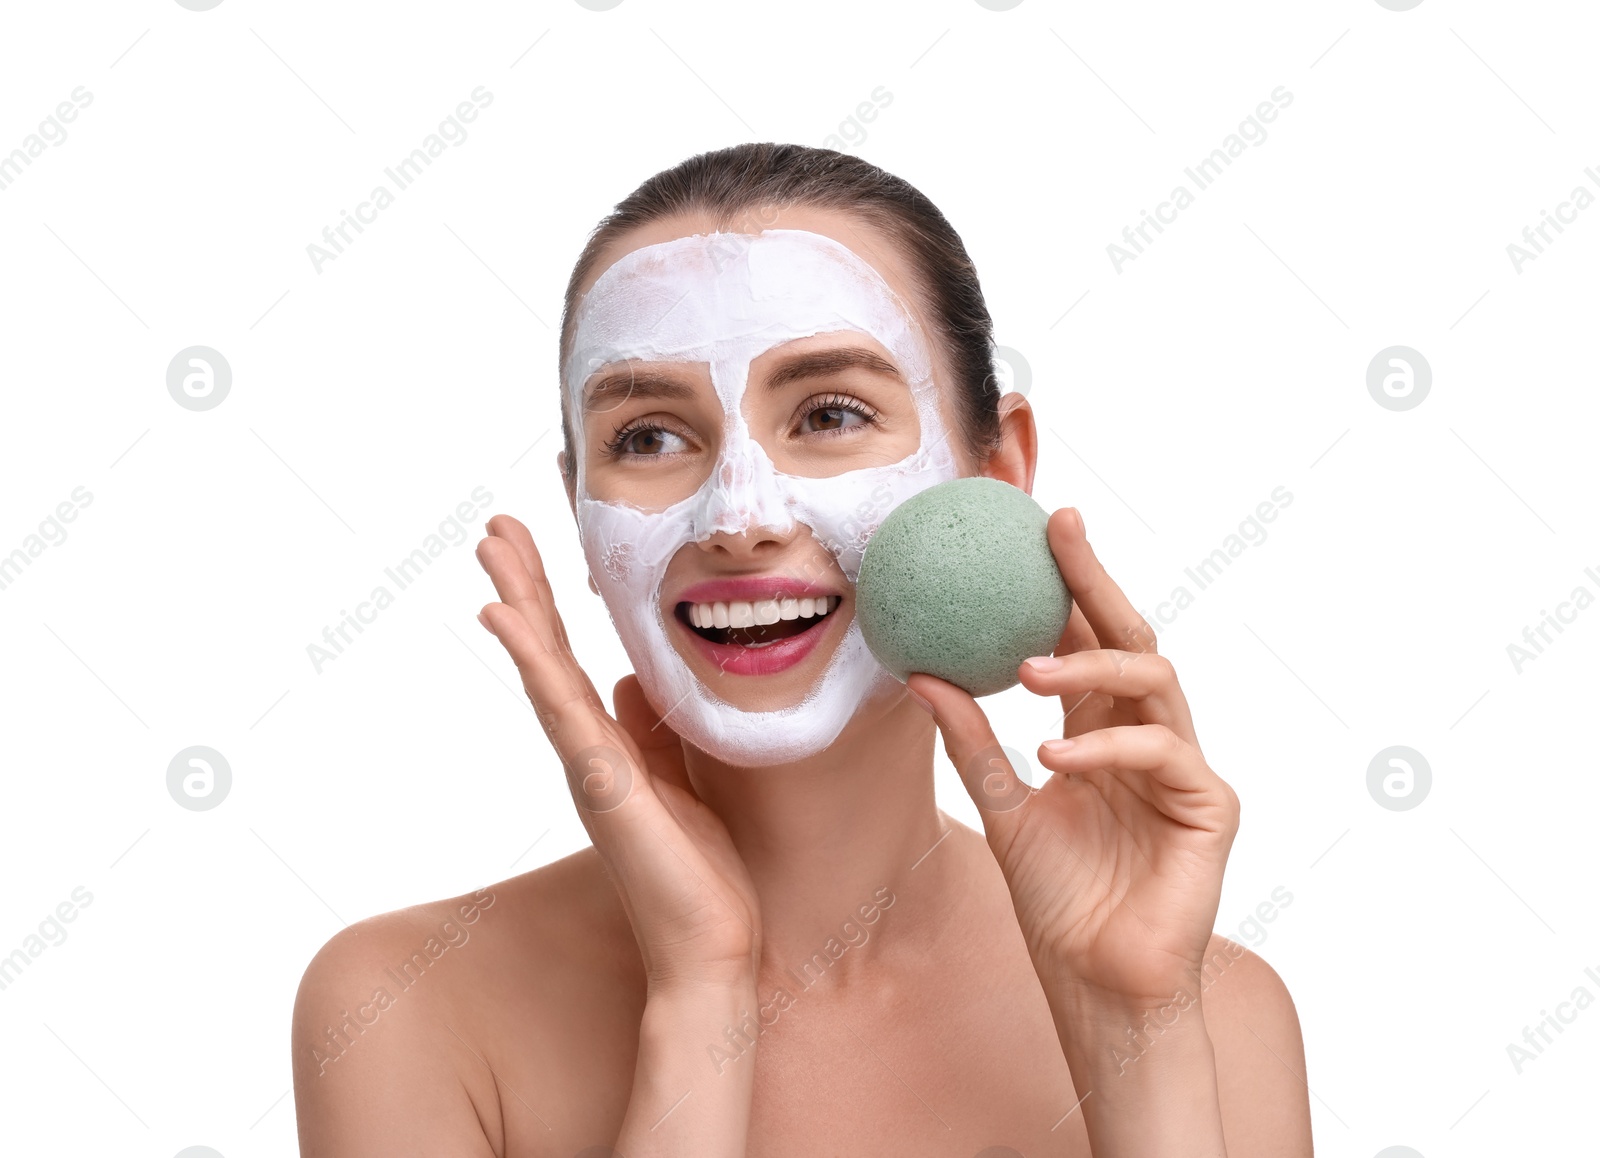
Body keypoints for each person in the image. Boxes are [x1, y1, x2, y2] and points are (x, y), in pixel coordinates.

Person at [291, 142, 1313, 1156]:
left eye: (829, 414)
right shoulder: (404, 1008)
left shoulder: (1215, 1015)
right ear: (579, 513)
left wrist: (1128, 1029)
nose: (738, 516)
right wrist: (700, 999)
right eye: (646, 436)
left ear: (995, 476)